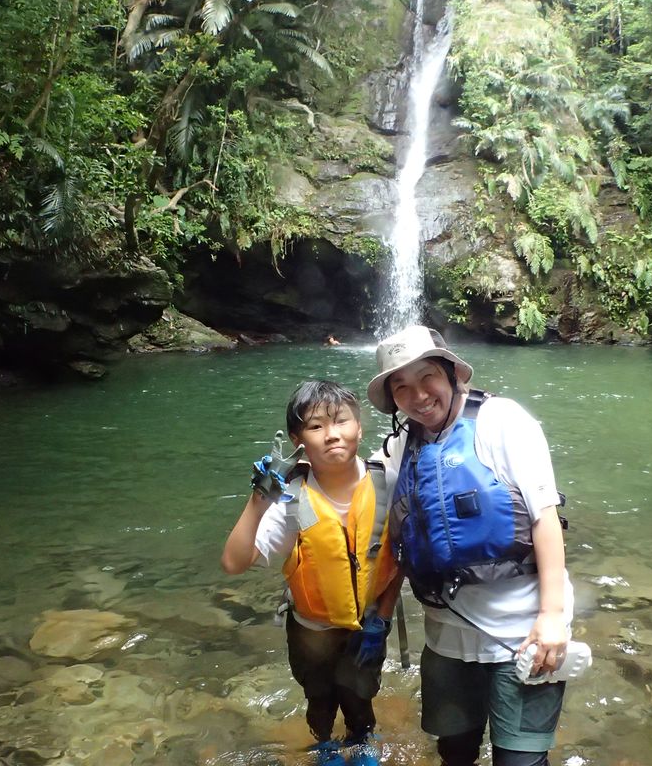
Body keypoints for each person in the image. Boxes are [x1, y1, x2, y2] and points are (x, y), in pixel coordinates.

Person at [366, 325, 588, 766]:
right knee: (455, 755)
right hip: (447, 639)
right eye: (401, 386)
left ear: (451, 373)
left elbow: (545, 517)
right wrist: (377, 618)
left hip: (522, 632)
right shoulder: (397, 450)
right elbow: (388, 540)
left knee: (520, 761)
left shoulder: (501, 421)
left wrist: (552, 617)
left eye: (426, 376)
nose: (418, 395)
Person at [221, 381, 400, 766]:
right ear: (297, 439)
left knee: (361, 697)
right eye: (316, 426)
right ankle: (324, 747)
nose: (332, 434)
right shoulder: (292, 500)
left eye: (341, 421)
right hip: (311, 630)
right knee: (319, 700)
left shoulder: (386, 482)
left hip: (367, 623)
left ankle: (363, 742)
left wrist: (382, 618)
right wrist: (258, 500)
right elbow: (234, 563)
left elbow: (400, 557)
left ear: (360, 427)